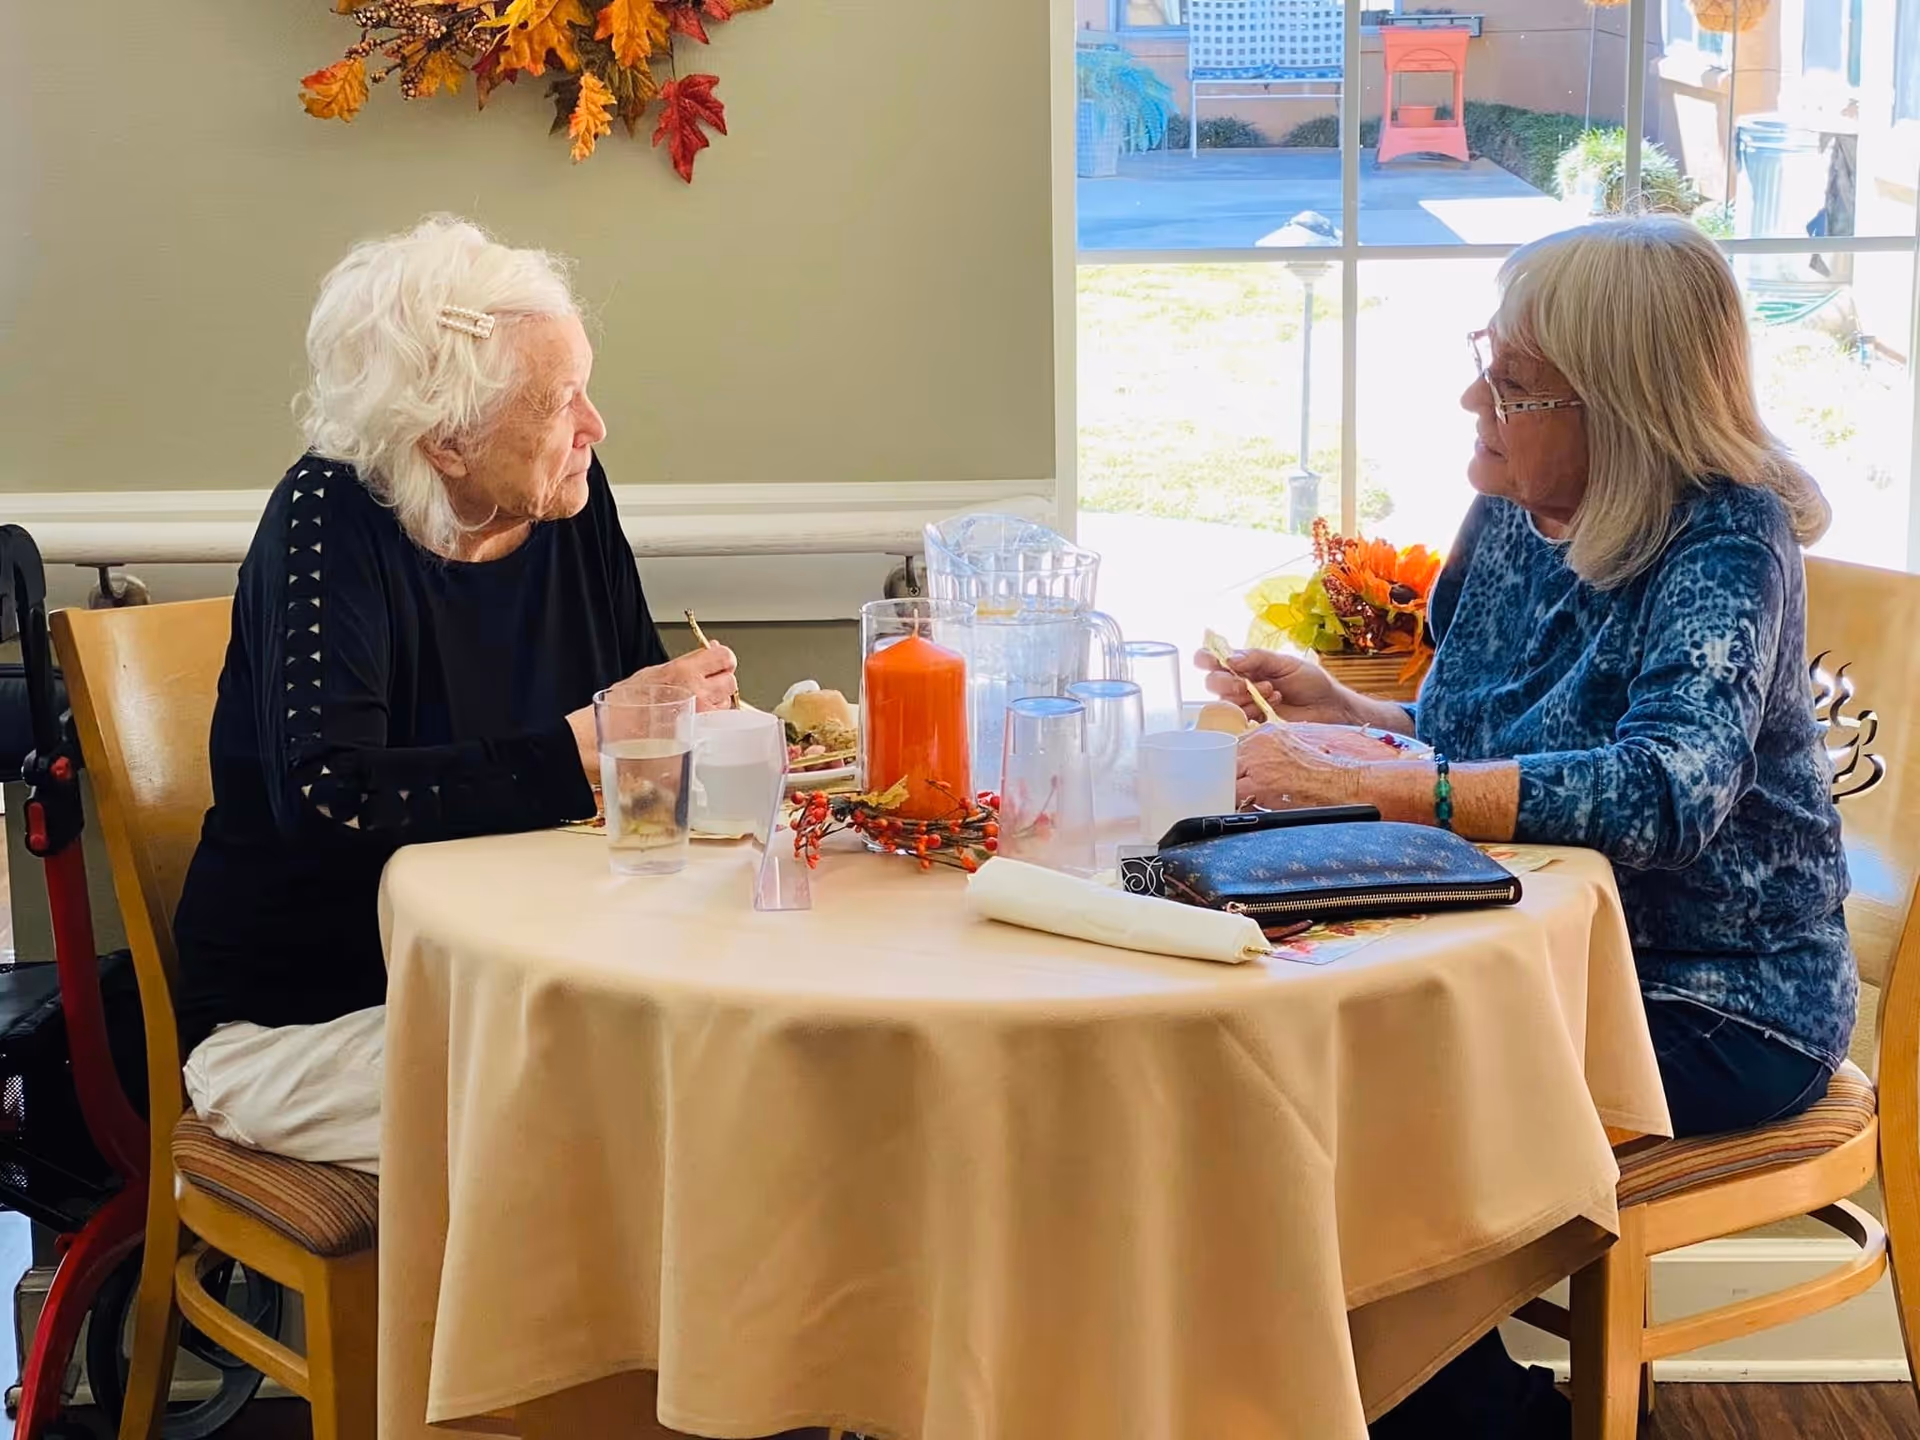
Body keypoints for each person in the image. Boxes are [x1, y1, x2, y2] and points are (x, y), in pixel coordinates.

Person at [1200, 217, 1855, 1438]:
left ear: (1622, 407)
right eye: (1486, 361)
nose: (1473, 397)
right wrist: (1350, 711)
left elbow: (1667, 788)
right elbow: (1471, 724)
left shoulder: (1724, 535)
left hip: (1713, 999)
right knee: (1284, 1078)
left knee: (1345, 1103)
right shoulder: (1514, 509)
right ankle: (1440, 1409)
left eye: (1513, 384)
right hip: (1515, 952)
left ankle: (1467, 1420)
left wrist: (1399, 788)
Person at [172, 217, 738, 1174]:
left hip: (537, 979)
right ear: (444, 440)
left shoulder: (569, 494)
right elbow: (332, 800)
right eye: (561, 404)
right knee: (635, 1107)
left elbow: (636, 732)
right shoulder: (328, 518)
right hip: (311, 1022)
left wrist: (680, 726)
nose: (595, 429)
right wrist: (582, 748)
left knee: (726, 1055)